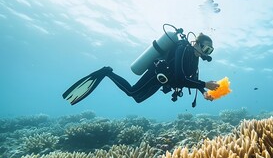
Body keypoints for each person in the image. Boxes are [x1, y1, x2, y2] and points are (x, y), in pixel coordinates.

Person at [63, 33, 219, 107]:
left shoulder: (194, 57)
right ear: (196, 44)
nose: (206, 53)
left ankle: (106, 73)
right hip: (157, 73)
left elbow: (190, 77)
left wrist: (204, 91)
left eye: (209, 51)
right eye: (205, 48)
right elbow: (180, 78)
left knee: (137, 99)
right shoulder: (183, 48)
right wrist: (205, 84)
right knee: (132, 92)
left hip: (165, 79)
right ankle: (106, 72)